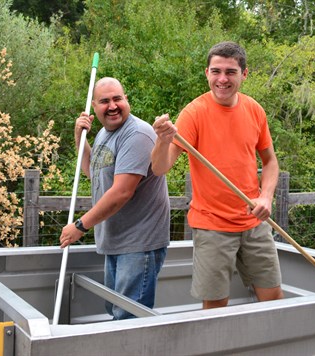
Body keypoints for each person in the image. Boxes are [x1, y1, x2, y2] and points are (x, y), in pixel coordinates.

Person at [151, 41, 284, 309]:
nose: (222, 79)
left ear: (244, 74)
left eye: (231, 72)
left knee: (273, 300)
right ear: (207, 73)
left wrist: (266, 198)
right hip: (212, 225)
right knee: (215, 308)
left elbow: (270, 162)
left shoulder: (254, 110)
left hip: (254, 222)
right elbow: (159, 168)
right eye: (216, 71)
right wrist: (162, 140)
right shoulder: (194, 113)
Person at [59, 77, 170, 320]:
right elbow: (93, 172)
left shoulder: (137, 134)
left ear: (126, 100)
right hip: (116, 240)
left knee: (127, 318)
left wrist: (80, 226)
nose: (112, 106)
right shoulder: (104, 135)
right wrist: (80, 137)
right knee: (115, 311)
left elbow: (121, 192)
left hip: (139, 243)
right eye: (104, 101)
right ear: (93, 107)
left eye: (117, 99)